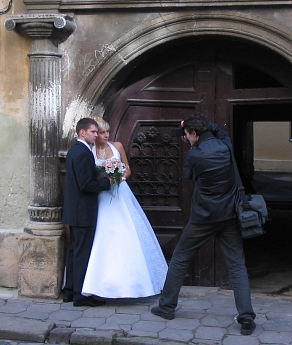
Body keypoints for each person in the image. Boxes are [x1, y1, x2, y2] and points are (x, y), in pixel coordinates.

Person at [150, 112, 256, 335]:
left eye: (187, 134)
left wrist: (190, 135)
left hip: (203, 218)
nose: (186, 138)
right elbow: (218, 129)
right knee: (237, 265)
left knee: (180, 258)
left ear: (194, 134)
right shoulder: (225, 144)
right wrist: (192, 126)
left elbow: (189, 175)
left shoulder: (195, 155)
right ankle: (246, 317)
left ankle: (167, 307)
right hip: (228, 216)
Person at [81, 117, 168, 299]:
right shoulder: (89, 151)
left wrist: (120, 174)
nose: (105, 136)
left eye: (107, 132)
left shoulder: (117, 146)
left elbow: (128, 169)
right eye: (101, 133)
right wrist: (104, 175)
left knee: (128, 231)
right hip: (102, 196)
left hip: (121, 193)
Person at [62, 117, 112, 307]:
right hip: (83, 212)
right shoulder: (83, 153)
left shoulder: (76, 150)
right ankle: (81, 296)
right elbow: (86, 185)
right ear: (82, 132)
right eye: (93, 131)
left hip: (75, 211)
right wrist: (107, 181)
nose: (96, 135)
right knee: (82, 253)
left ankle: (70, 291)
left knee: (75, 251)